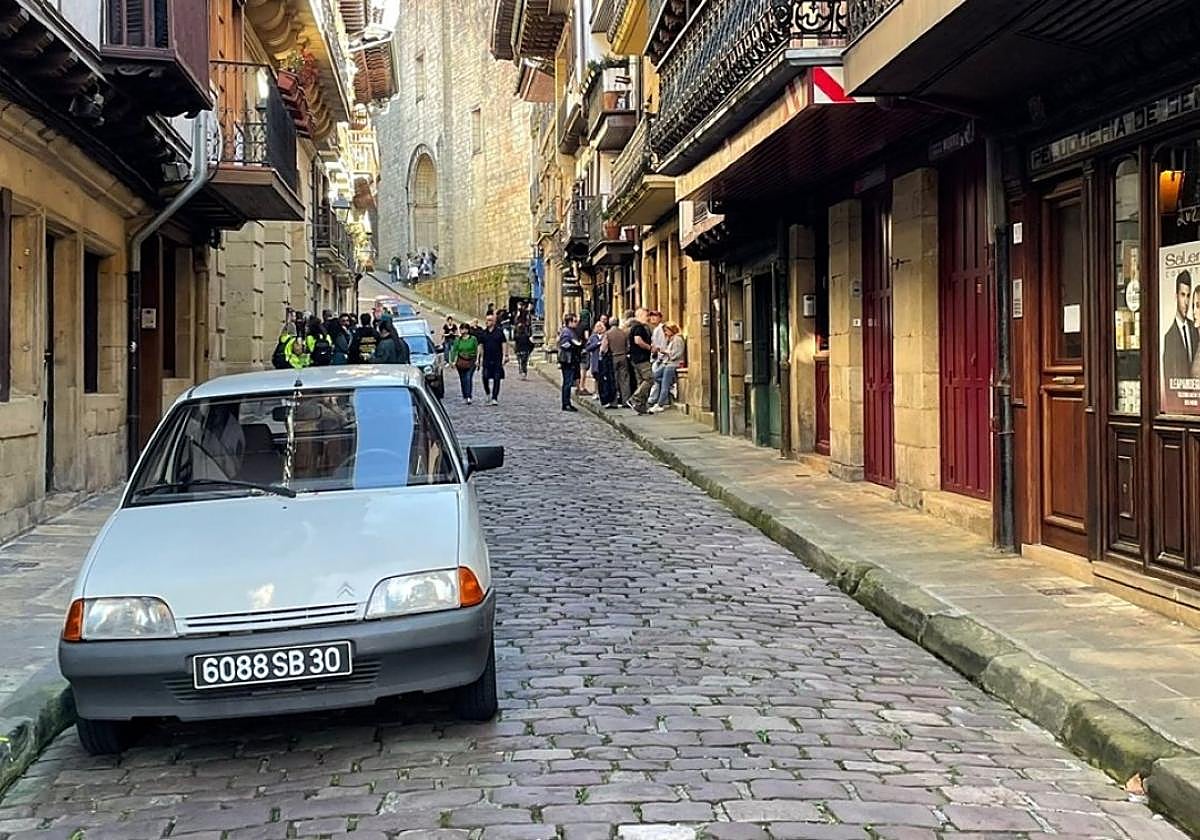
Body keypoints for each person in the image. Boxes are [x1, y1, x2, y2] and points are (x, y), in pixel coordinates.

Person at [1164, 270, 1199, 384]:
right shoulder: (1169, 337)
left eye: (1188, 296)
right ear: (1176, 296)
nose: (1186, 302)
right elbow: (1168, 382)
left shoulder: (1195, 329)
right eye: (1182, 295)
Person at [649, 323, 685, 413]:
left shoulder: (678, 339)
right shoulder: (671, 339)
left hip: (673, 364)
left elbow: (677, 353)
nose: (665, 332)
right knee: (655, 376)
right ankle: (671, 385)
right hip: (667, 362)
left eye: (666, 330)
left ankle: (660, 404)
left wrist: (666, 352)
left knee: (664, 384)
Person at [627, 307, 654, 414]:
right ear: (641, 316)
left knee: (641, 381)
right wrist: (650, 348)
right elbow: (638, 341)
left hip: (635, 358)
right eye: (646, 315)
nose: (648, 318)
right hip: (641, 358)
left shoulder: (634, 327)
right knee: (650, 378)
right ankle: (635, 398)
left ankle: (640, 406)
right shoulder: (638, 327)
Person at [478, 314, 508, 406]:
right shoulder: (483, 333)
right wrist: (479, 358)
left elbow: (504, 344)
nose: (488, 322)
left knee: (497, 378)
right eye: (487, 320)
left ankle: (495, 397)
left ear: (494, 322)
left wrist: (505, 356)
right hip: (487, 359)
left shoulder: (499, 332)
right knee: (485, 377)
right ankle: (487, 393)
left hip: (497, 359)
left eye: (490, 320)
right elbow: (480, 346)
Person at [558, 314, 583, 412]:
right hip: (567, 360)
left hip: (571, 359)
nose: (576, 323)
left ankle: (567, 402)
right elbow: (564, 344)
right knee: (567, 382)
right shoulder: (567, 332)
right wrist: (574, 345)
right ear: (570, 322)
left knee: (568, 382)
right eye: (575, 321)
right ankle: (566, 403)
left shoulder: (571, 331)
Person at [450, 322, 480, 404]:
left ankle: (469, 396)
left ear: (467, 330)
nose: (462, 331)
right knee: (463, 379)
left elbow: (477, 349)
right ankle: (465, 395)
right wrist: (452, 361)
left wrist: (477, 360)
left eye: (464, 329)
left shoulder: (473, 339)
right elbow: (455, 350)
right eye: (461, 329)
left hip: (471, 360)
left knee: (468, 378)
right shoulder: (458, 340)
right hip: (461, 361)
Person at [606, 313, 631, 407]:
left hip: (613, 357)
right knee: (624, 380)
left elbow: (605, 347)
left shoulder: (608, 334)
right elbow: (627, 346)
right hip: (623, 357)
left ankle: (614, 401)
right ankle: (626, 400)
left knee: (613, 380)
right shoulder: (623, 333)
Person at [647, 309, 667, 404]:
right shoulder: (656, 329)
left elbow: (661, 344)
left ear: (660, 318)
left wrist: (660, 356)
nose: (652, 318)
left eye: (655, 316)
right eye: (651, 316)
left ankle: (652, 399)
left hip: (659, 358)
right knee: (657, 379)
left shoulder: (660, 329)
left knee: (654, 378)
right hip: (656, 357)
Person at [585, 322, 606, 403]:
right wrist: (597, 344)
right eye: (598, 326)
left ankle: (603, 393)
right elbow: (588, 347)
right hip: (595, 359)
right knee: (596, 377)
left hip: (603, 359)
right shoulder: (593, 337)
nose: (599, 328)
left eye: (601, 326)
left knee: (603, 377)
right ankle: (596, 392)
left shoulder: (605, 336)